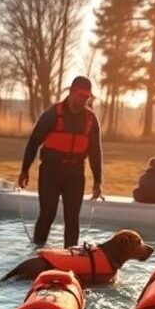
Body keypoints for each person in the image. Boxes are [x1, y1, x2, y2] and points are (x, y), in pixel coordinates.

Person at [16, 76, 103, 248]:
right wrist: (25, 169)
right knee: (47, 213)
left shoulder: (91, 120)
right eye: (80, 96)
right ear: (71, 92)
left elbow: (95, 152)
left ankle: (70, 255)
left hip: (75, 174)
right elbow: (34, 141)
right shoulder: (52, 114)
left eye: (86, 97)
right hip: (50, 172)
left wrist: (98, 181)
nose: (83, 100)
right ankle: (37, 251)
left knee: (72, 218)